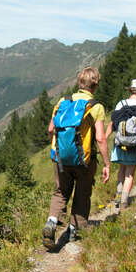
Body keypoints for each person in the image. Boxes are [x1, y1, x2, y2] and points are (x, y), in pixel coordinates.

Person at [42, 67, 110, 250]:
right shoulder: (96, 106)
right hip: (84, 161)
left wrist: (57, 149)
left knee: (60, 192)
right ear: (95, 85)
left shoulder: (62, 102)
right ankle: (73, 230)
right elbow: (101, 138)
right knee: (82, 193)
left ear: (79, 83)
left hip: (60, 159)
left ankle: (51, 221)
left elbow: (50, 129)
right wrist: (107, 163)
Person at [106, 79, 136, 210]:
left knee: (122, 168)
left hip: (120, 142)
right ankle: (124, 201)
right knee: (130, 173)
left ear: (131, 90)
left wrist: (104, 138)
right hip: (134, 144)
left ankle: (118, 194)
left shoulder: (121, 103)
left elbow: (112, 124)